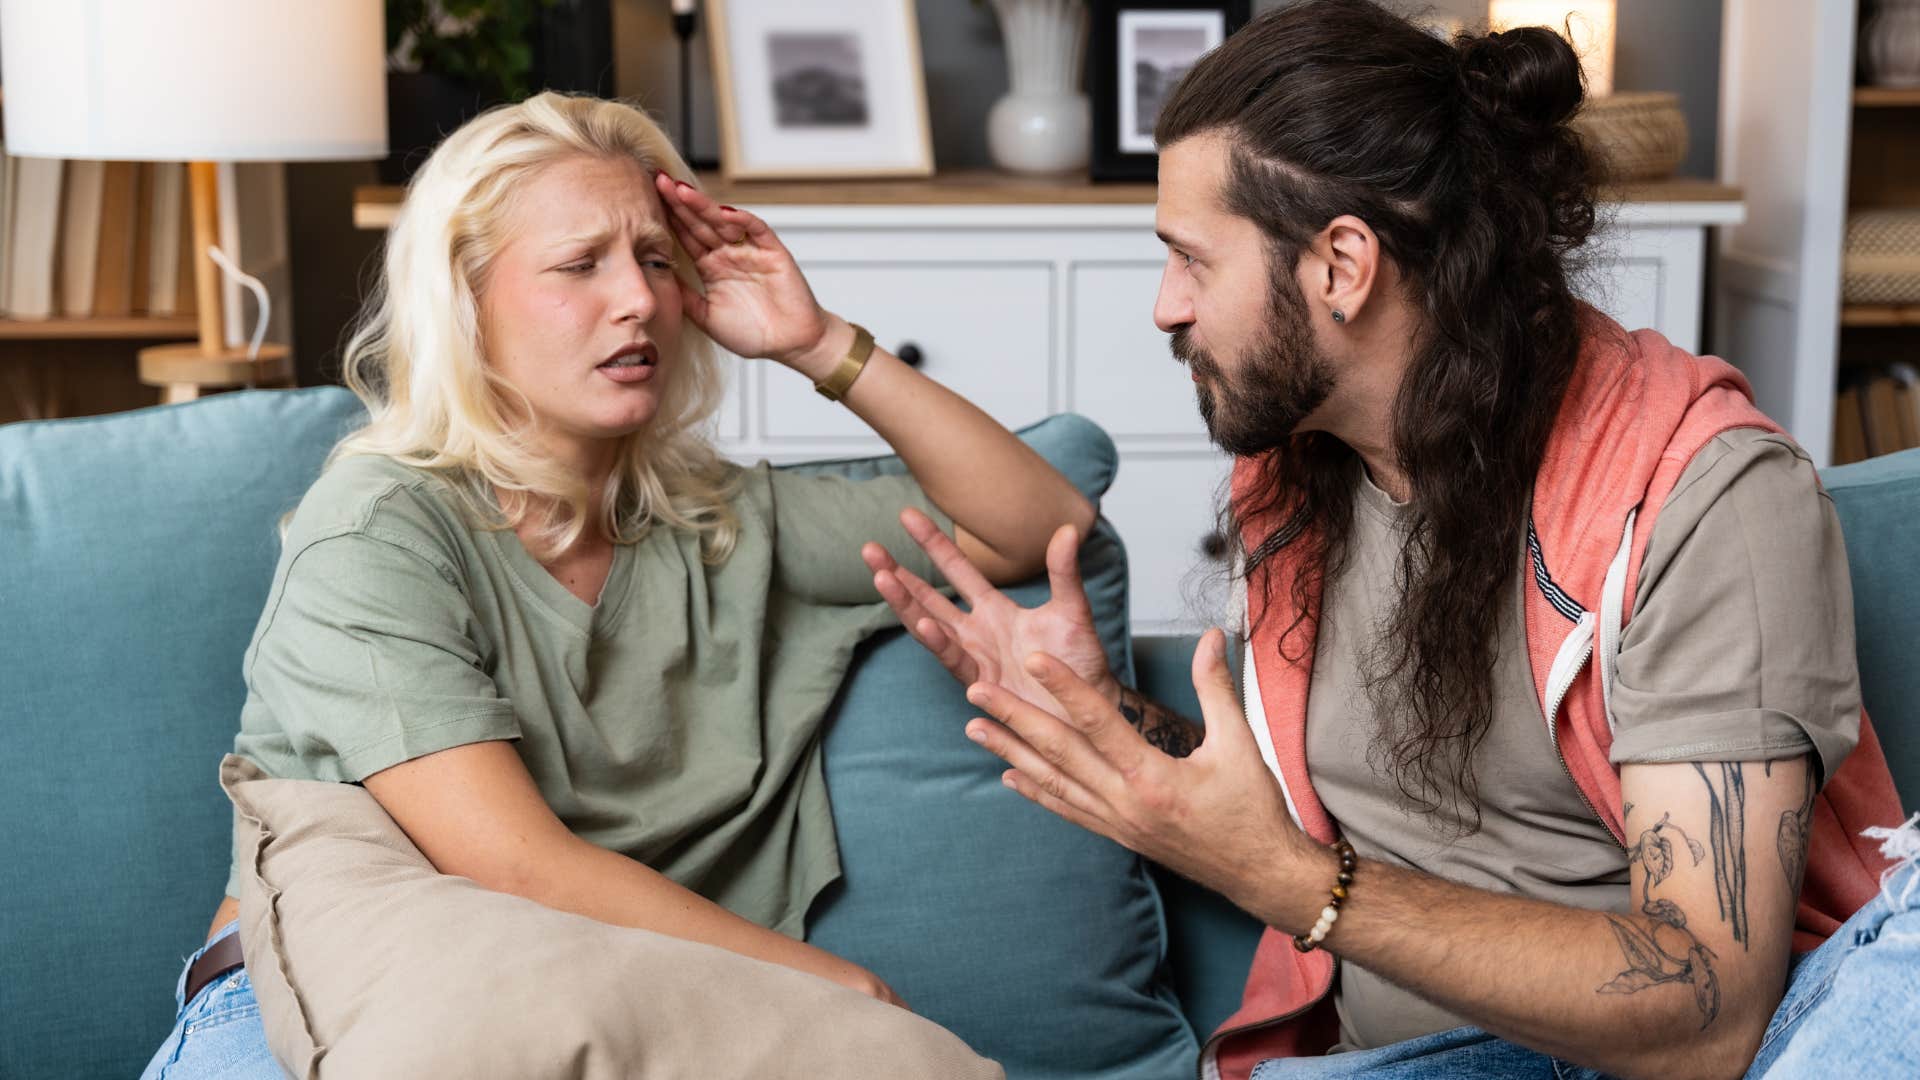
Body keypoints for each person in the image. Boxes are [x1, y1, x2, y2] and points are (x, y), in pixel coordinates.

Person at [860, 2, 1918, 1077]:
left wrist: (1295, 886)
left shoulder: (1700, 497)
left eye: (1192, 260)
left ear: (1341, 266)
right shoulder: (1298, 476)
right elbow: (1300, 816)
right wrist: (1111, 718)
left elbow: (1711, 1013)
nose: (1166, 308)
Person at [138, 91, 1092, 1078]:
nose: (636, 298)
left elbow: (1036, 525)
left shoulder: (716, 519)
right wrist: (838, 990)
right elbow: (510, 863)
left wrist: (818, 345)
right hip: (320, 1007)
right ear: (465, 301)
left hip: (624, 1000)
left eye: (652, 259)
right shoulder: (379, 526)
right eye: (579, 264)